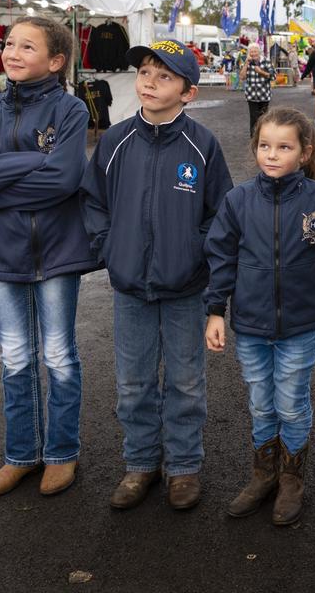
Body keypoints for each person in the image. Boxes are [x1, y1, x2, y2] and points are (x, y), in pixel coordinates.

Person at [80, 39, 233, 511]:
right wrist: (111, 247)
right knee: (133, 382)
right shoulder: (115, 139)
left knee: (186, 382)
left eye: (164, 76)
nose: (149, 82)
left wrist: (195, 253)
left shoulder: (202, 145)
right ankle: (141, 464)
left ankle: (184, 467)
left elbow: (221, 215)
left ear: (188, 92)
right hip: (130, 288)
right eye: (145, 72)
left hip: (187, 287)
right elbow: (93, 202)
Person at [0, 16, 97, 498]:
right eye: (9, 44)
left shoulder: (72, 109)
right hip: (3, 251)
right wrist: (36, 161)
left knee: (58, 355)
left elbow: (63, 180)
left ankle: (61, 454)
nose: (12, 53)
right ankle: (20, 455)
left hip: (59, 251)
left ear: (56, 60)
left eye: (26, 47)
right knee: (16, 358)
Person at [203, 107, 315, 523]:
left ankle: (291, 480)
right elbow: (221, 257)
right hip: (249, 325)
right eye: (265, 145)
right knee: (261, 404)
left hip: (299, 326)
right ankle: (263, 473)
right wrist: (215, 311)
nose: (272, 154)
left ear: (304, 152)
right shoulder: (238, 200)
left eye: (284, 146)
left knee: (292, 404)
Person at [240, 43, 273, 134]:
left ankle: (263, 135)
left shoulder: (266, 61)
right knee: (253, 118)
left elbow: (273, 76)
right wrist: (246, 64)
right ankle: (254, 138)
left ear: (259, 52)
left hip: (264, 95)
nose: (253, 54)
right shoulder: (247, 62)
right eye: (251, 52)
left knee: (264, 118)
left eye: (255, 51)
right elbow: (242, 77)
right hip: (251, 95)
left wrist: (261, 72)